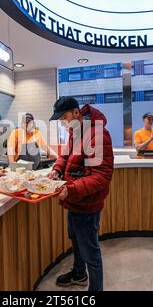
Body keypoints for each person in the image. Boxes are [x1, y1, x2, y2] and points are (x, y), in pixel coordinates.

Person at [48, 97, 114, 291]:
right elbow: (66, 156)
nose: (62, 122)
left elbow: (101, 176)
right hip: (74, 199)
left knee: (90, 252)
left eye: (64, 117)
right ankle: (79, 274)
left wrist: (72, 189)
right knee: (76, 241)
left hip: (87, 202)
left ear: (76, 113)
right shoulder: (74, 131)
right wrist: (57, 170)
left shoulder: (98, 134)